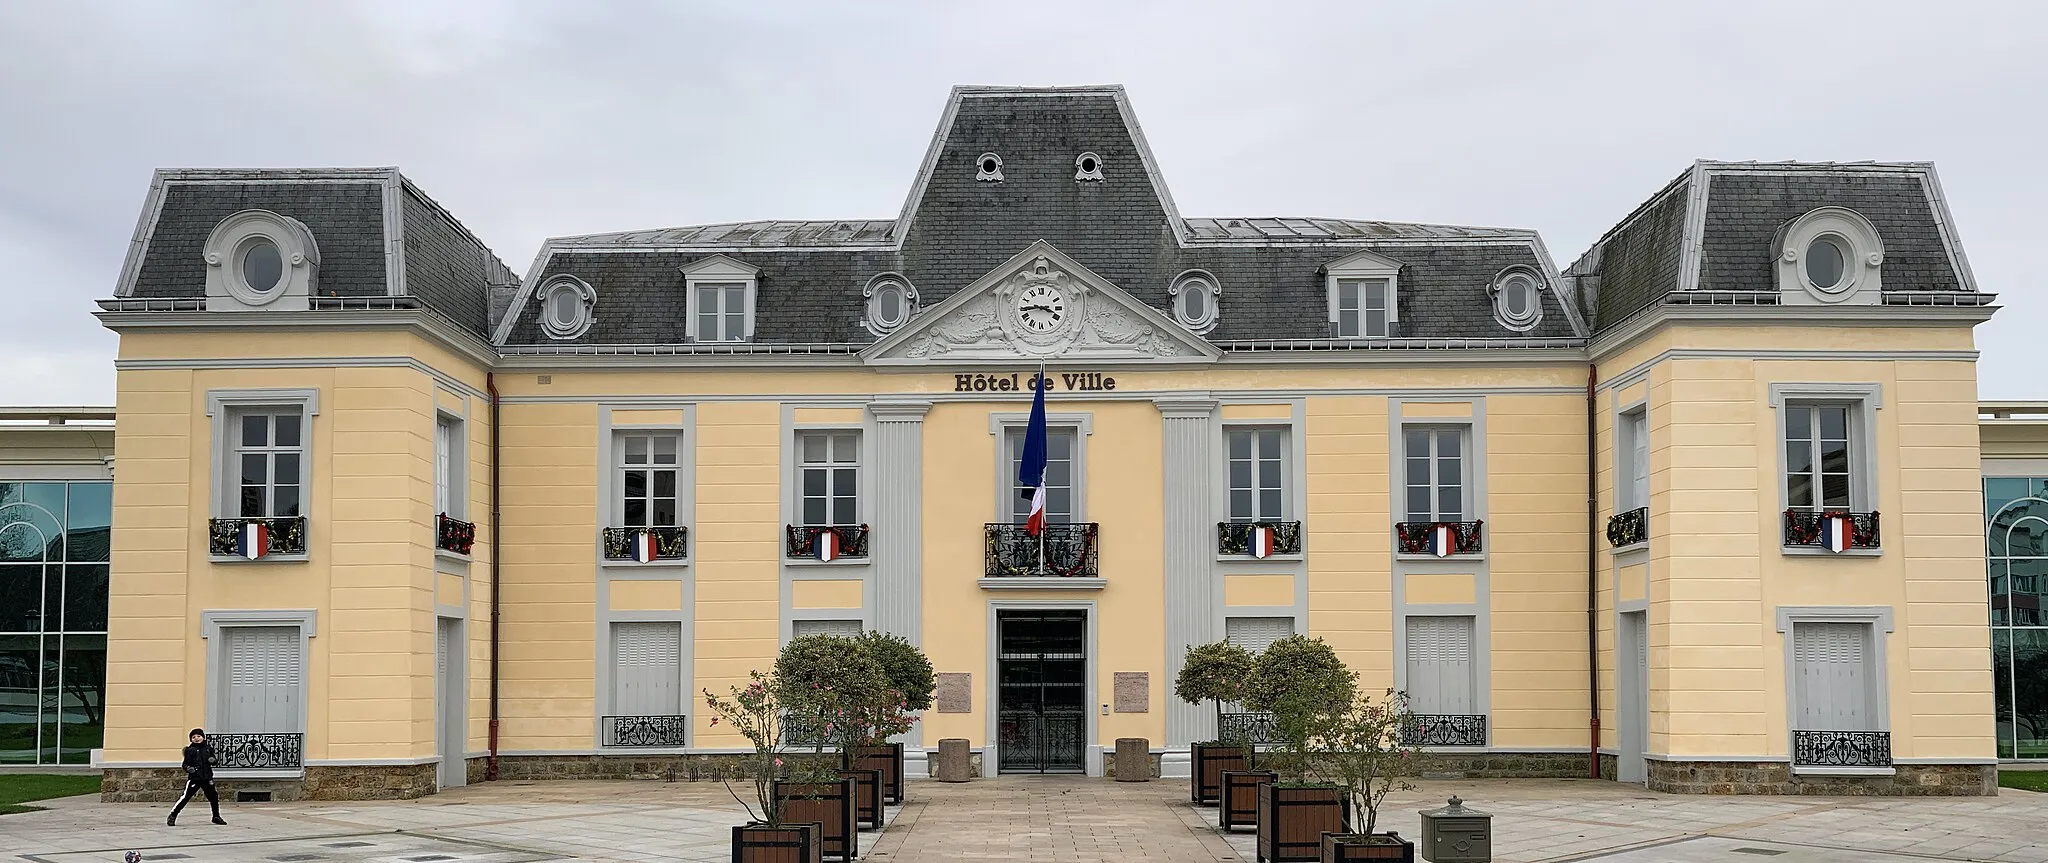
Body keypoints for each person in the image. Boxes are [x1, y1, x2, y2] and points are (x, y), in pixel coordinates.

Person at [168, 728, 225, 826]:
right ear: (191, 739)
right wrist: (189, 768)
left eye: (198, 736)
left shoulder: (208, 749)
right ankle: (173, 815)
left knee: (213, 797)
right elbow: (185, 764)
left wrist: (213, 760)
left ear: (203, 737)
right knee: (186, 797)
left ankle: (216, 816)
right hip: (195, 778)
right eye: (193, 737)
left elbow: (214, 760)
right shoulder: (190, 750)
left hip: (207, 777)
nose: (196, 738)